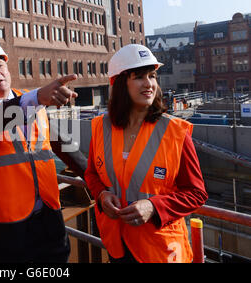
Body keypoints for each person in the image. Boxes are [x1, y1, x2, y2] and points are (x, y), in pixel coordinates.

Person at [0, 40, 87, 263]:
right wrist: (36, 98)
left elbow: (61, 143)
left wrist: (97, 181)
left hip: (48, 211)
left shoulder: (29, 99)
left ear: (8, 68)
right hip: (7, 220)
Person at [85, 44, 208, 263]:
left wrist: (154, 207)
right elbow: (92, 174)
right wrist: (102, 195)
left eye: (152, 76)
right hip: (118, 245)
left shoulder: (175, 132)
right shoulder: (100, 127)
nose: (149, 84)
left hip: (161, 250)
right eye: (139, 77)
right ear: (120, 83)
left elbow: (196, 193)